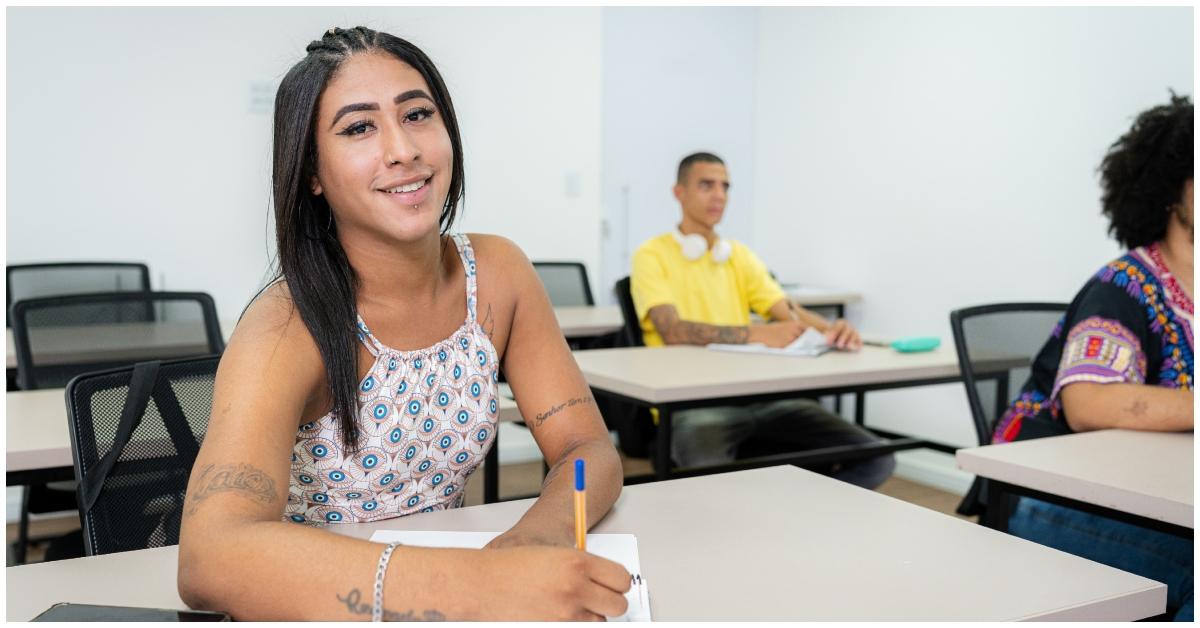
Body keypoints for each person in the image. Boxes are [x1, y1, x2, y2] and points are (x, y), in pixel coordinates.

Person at [177, 27, 630, 621]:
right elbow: (211, 557)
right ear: (312, 173)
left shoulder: (498, 274)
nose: (402, 150)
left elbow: (585, 446)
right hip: (324, 603)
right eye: (359, 127)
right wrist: (476, 586)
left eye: (417, 114)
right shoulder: (287, 325)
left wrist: (539, 536)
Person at [993, 94, 1193, 621]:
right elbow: (1089, 403)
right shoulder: (1123, 286)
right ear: (1174, 191)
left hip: (1158, 499)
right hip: (1049, 499)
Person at [629, 152, 895, 489]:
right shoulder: (651, 255)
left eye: (725, 186)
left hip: (763, 396)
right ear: (679, 193)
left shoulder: (737, 255)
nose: (719, 195)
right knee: (714, 490)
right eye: (706, 185)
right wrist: (758, 334)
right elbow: (672, 330)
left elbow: (786, 309)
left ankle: (803, 524)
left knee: (878, 457)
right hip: (692, 404)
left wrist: (831, 330)